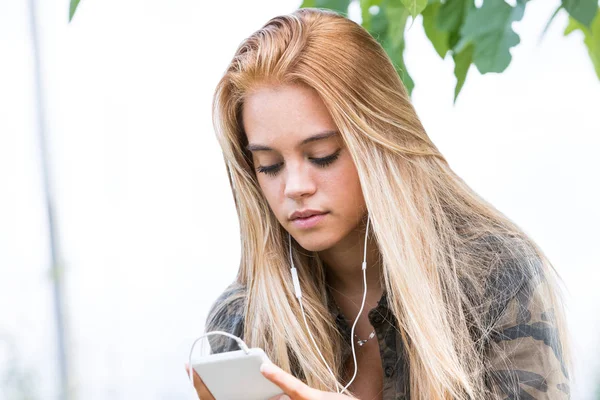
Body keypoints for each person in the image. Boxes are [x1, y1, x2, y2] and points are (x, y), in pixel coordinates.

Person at [184, 7, 571, 400]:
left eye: (322, 155)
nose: (295, 187)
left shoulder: (491, 276)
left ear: (380, 142)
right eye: (269, 165)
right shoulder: (241, 321)